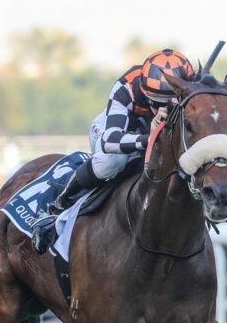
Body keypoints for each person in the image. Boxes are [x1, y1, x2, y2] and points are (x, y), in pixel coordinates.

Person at [32, 49, 194, 253]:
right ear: (144, 92)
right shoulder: (127, 87)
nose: (163, 110)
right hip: (116, 130)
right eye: (156, 103)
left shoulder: (192, 90)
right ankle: (59, 206)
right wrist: (148, 139)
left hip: (148, 133)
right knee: (111, 162)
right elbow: (109, 141)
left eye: (170, 105)